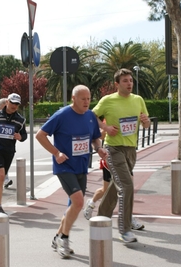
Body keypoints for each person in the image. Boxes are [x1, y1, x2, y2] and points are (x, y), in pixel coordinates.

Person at [36, 85, 105, 259]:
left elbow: (96, 137)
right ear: (73, 99)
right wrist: (56, 153)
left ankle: (58, 236)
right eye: (83, 98)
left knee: (73, 206)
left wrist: (99, 148)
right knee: (78, 201)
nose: (87, 102)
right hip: (64, 165)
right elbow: (40, 135)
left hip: (81, 166)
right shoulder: (62, 115)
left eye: (89, 98)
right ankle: (64, 239)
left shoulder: (90, 116)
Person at [92, 68, 150, 243]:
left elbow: (145, 122)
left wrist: (146, 122)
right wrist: (105, 128)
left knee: (114, 186)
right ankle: (124, 229)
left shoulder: (138, 100)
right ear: (117, 84)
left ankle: (101, 217)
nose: (129, 83)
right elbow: (91, 116)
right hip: (113, 148)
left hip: (131, 149)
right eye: (125, 81)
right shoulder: (107, 100)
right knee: (126, 186)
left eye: (131, 80)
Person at [0, 93, 27, 214]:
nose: (14, 106)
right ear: (7, 102)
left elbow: (24, 135)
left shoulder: (20, 119)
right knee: (1, 176)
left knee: (0, 178)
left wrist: (20, 137)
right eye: (12, 103)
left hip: (9, 150)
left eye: (17, 104)